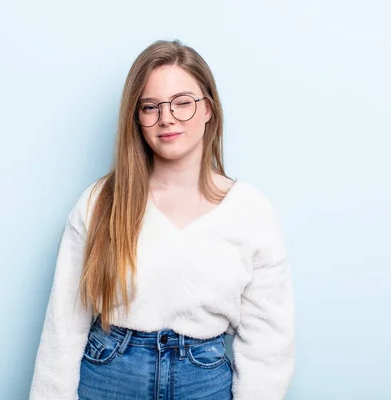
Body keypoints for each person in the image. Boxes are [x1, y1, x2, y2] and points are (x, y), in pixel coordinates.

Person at [28, 39, 295, 400]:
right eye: (150, 106)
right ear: (136, 118)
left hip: (203, 380)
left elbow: (268, 341)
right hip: (110, 376)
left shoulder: (250, 211)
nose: (166, 117)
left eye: (183, 103)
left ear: (208, 110)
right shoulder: (100, 203)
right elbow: (63, 325)